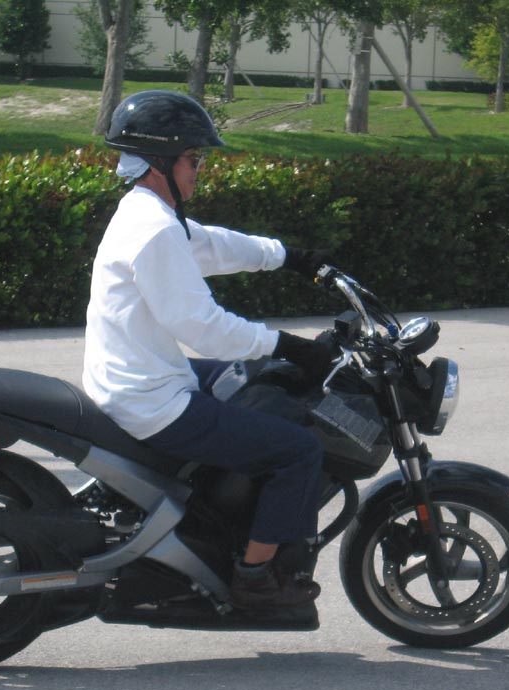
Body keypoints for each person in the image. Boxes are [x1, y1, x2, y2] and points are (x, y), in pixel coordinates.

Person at [82, 90, 336, 612]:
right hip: (150, 400)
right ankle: (255, 577)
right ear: (161, 162)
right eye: (193, 159)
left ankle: (216, 514)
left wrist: (289, 257)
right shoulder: (153, 230)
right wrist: (287, 345)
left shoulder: (148, 213)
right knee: (298, 451)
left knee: (252, 379)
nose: (199, 170)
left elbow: (211, 244)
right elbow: (203, 327)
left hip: (140, 374)